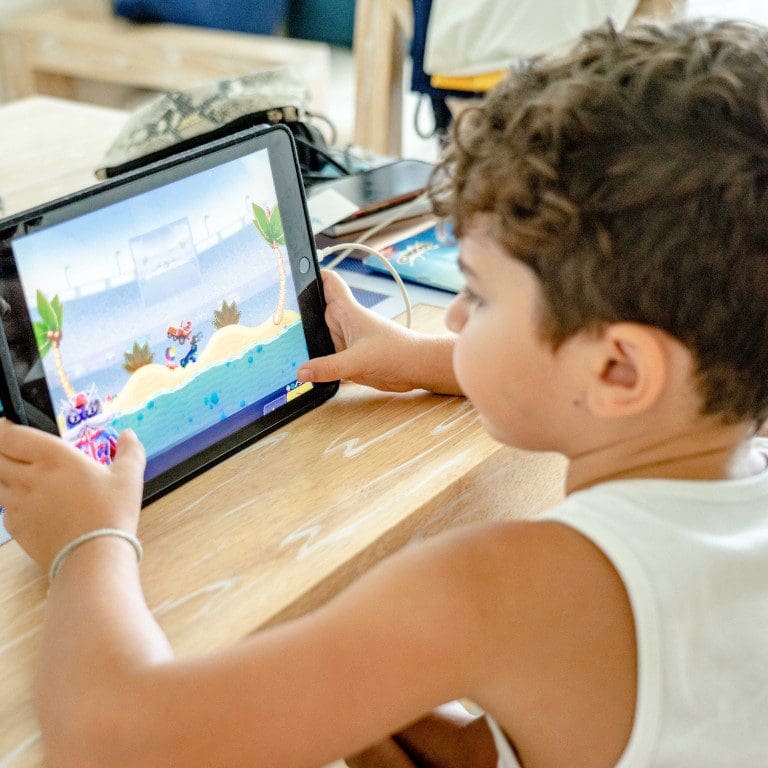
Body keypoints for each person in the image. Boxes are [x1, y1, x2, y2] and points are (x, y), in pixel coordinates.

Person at [3, 17, 768, 768]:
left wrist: (85, 542)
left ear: (617, 372)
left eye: (480, 297)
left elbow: (113, 738)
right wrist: (427, 358)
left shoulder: (503, 586)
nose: (458, 318)